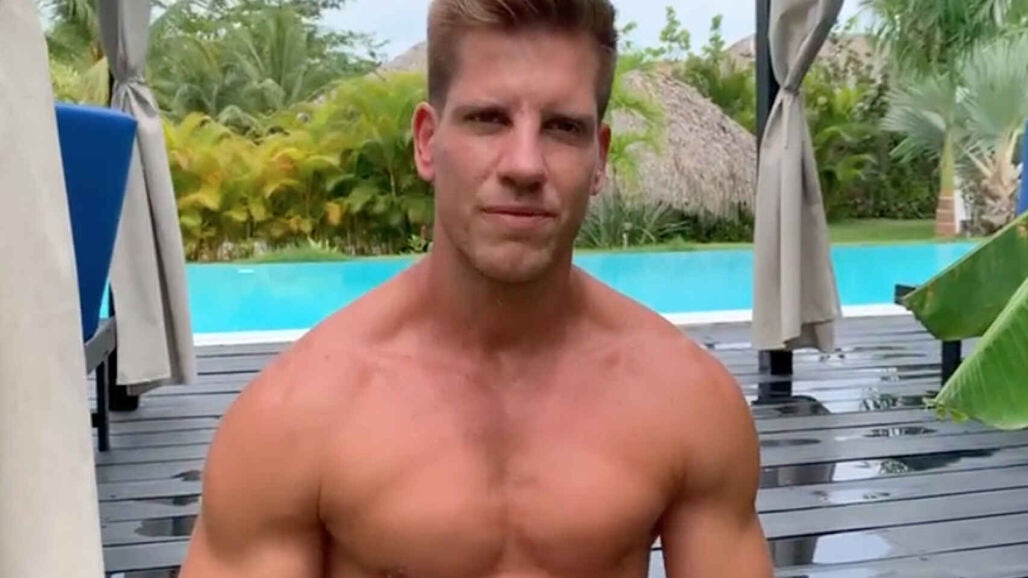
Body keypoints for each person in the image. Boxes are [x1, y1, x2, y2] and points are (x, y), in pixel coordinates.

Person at [179, 0, 774, 576]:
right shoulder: (294, 419)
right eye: (489, 119)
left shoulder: (685, 401)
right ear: (426, 142)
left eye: (562, 128)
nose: (525, 165)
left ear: (598, 159)